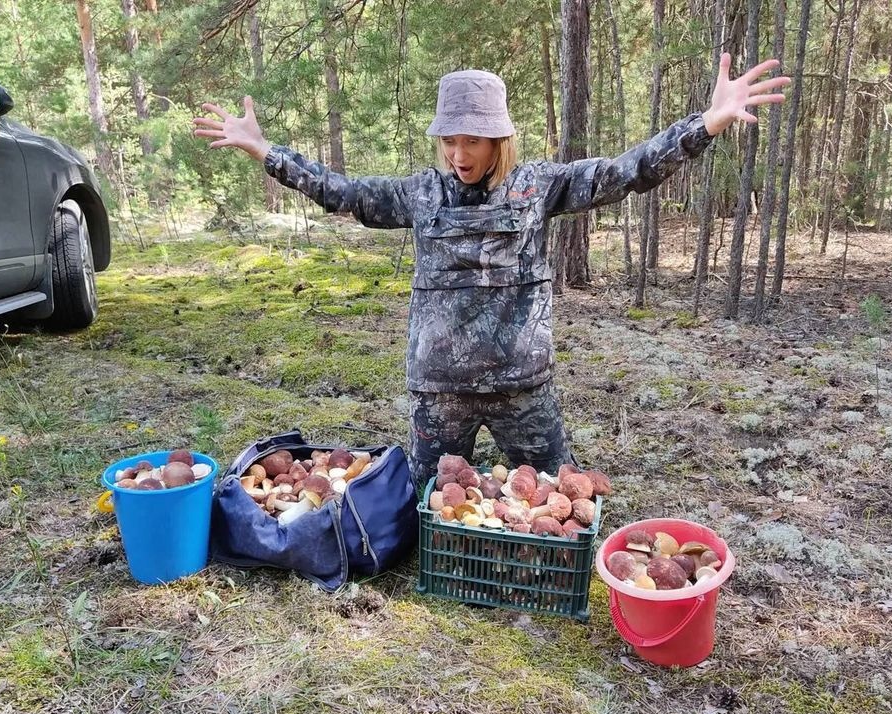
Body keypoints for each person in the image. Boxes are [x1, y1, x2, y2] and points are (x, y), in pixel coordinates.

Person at [193, 55, 790, 487]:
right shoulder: (421, 193)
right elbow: (342, 192)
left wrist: (705, 125)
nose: (459, 154)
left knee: (557, 499)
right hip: (440, 391)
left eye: (473, 141)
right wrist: (266, 152)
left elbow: (622, 172)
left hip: (521, 388)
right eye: (449, 140)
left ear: (499, 138)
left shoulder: (537, 186)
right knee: (427, 508)